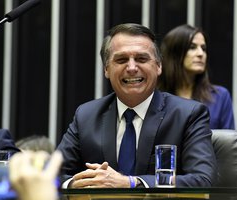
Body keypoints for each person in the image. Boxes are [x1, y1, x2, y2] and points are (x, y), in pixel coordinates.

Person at [57, 23, 217, 188]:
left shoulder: (188, 114)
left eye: (141, 59)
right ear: (106, 69)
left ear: (158, 66)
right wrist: (73, 184)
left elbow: (203, 180)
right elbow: (52, 175)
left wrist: (131, 183)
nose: (132, 68)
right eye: (121, 59)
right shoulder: (86, 116)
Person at [157, 24, 235, 129]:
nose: (200, 53)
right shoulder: (154, 96)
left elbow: (230, 143)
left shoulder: (220, 96)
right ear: (174, 53)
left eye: (203, 48)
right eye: (192, 47)